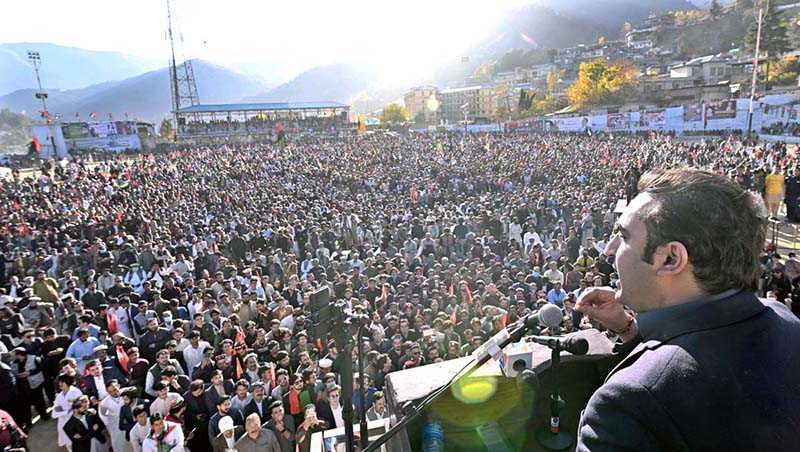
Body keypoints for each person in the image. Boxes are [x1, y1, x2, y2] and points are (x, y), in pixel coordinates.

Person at [575, 168, 800, 451]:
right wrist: (629, 330)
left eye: (625, 236)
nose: (610, 249)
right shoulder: (784, 318)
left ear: (671, 258)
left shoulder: (626, 405)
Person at [54, 374, 83, 451]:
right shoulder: (59, 396)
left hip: (76, 421)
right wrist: (67, 411)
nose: (59, 384)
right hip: (62, 423)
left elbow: (79, 407)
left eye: (62, 382)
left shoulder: (76, 392)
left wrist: (63, 410)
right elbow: (54, 413)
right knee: (69, 445)